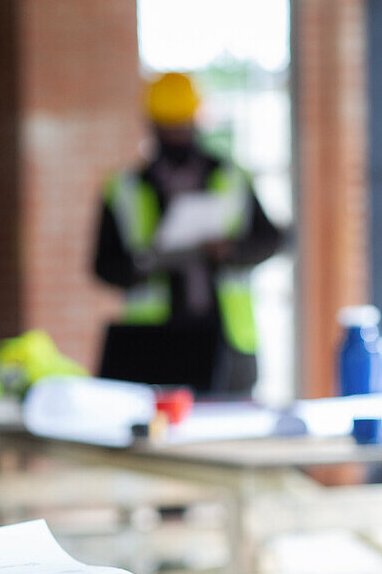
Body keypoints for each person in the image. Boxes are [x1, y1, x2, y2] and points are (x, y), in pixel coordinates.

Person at [93, 72, 285, 395]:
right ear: (153, 127)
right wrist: (147, 262)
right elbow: (104, 265)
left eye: (182, 125)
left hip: (227, 339)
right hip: (155, 345)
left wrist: (230, 251)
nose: (177, 136)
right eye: (169, 127)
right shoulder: (124, 187)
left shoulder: (230, 177)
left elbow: (271, 239)